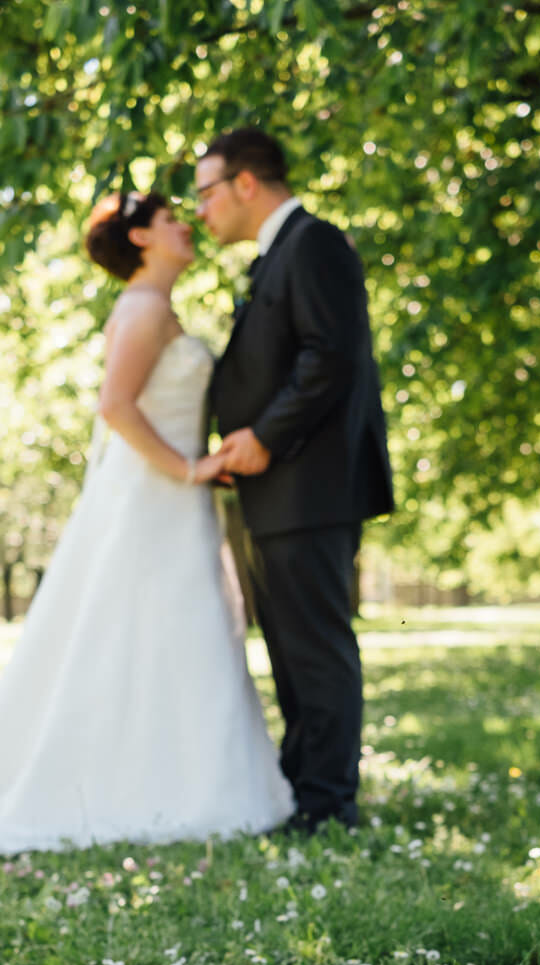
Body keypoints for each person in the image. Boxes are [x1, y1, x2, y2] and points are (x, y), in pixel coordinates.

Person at [0, 190, 294, 858]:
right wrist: (187, 468)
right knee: (144, 629)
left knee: (179, 632)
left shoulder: (160, 308)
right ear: (140, 239)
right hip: (149, 495)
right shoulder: (142, 308)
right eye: (170, 221)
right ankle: (152, 785)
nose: (186, 228)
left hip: (172, 498)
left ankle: (193, 780)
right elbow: (116, 407)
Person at [199, 127, 394, 835]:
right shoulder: (276, 254)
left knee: (314, 645)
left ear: (245, 183)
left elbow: (330, 358)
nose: (201, 210)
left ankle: (329, 803)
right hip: (276, 490)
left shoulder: (313, 244)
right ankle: (304, 788)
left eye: (206, 192)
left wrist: (264, 437)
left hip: (308, 484)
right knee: (288, 646)